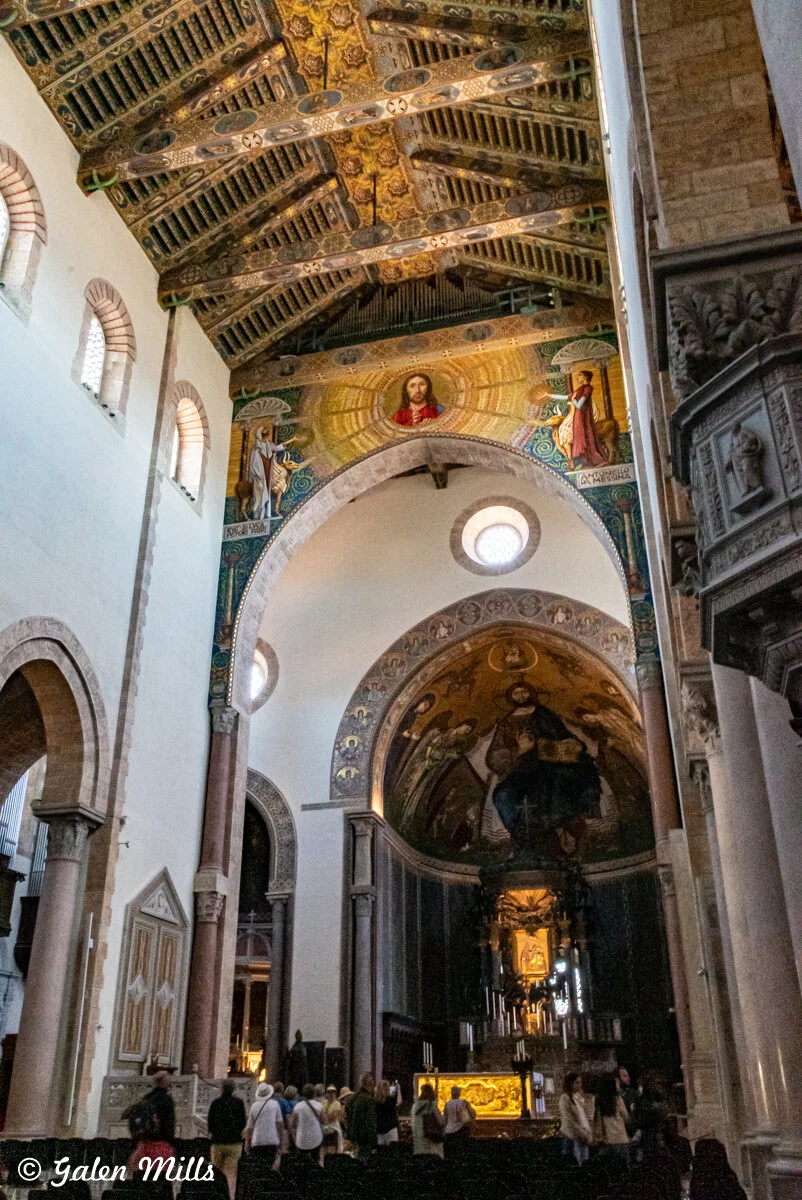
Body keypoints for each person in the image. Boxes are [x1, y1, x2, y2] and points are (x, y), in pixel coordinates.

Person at [486, 681, 601, 847]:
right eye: (516, 693)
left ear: (531, 693)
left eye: (524, 692)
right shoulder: (506, 723)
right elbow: (492, 757)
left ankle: (561, 833)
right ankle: (521, 839)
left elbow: (564, 736)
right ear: (510, 697)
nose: (520, 696)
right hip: (518, 772)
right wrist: (519, 750)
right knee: (502, 796)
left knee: (552, 789)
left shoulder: (545, 715)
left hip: (550, 767)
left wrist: (565, 747)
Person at [125, 1069, 176, 1175]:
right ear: (165, 1082)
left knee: (142, 1180)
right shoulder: (166, 1100)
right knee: (159, 1180)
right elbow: (169, 1125)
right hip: (161, 1147)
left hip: (144, 1145)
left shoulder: (147, 1098)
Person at [553, 370, 606, 470]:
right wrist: (549, 396)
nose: (577, 378)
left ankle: (596, 461)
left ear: (585, 378)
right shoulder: (579, 390)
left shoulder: (588, 389)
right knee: (581, 439)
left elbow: (578, 404)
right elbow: (565, 397)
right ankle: (587, 462)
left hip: (584, 418)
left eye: (579, 376)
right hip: (578, 418)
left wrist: (573, 400)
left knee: (587, 438)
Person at [207, 1080, 246, 1198]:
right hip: (234, 1143)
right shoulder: (239, 1103)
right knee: (231, 1174)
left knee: (216, 1172)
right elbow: (243, 1122)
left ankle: (216, 1195)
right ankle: (228, 1196)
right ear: (233, 1089)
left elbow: (210, 1123)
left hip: (218, 1142)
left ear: (221, 1089)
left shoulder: (215, 1103)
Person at [593, 1073, 631, 1165]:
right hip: (621, 1138)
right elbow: (626, 1118)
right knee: (624, 1169)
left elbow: (598, 1121)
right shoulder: (618, 1099)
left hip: (607, 1140)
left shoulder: (598, 1099)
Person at [244, 1082, 284, 1166]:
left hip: (257, 1140)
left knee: (259, 1166)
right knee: (270, 1165)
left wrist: (247, 1142)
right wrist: (281, 1140)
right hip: (272, 1140)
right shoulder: (275, 1104)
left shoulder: (254, 1106)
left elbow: (250, 1127)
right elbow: (279, 1124)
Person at [559, 1072, 592, 1164]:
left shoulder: (578, 1098)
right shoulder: (565, 1098)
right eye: (577, 1083)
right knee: (576, 1161)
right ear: (570, 1085)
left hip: (583, 1135)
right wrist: (581, 1133)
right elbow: (569, 1120)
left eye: (580, 1082)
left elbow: (584, 1117)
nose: (580, 1085)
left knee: (584, 1161)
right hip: (573, 1136)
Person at [289, 1083, 323, 1163]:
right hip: (316, 1137)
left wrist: (294, 1137)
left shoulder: (298, 1106)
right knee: (315, 1159)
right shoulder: (319, 1106)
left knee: (302, 1161)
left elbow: (291, 1125)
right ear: (314, 1093)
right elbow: (324, 1121)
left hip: (301, 1138)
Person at [347, 1073, 378, 1160]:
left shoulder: (352, 1098)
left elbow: (348, 1118)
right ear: (371, 1083)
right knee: (363, 1161)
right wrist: (373, 1141)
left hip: (353, 1136)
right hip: (365, 1138)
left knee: (355, 1159)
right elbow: (371, 1121)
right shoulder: (368, 1099)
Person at [411, 1082, 444, 1157]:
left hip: (418, 1143)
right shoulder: (431, 1106)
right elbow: (441, 1121)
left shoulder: (415, 1106)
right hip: (431, 1142)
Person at [442, 1085, 475, 1157]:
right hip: (461, 1130)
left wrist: (444, 1129)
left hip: (449, 1130)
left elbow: (445, 1118)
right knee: (461, 1152)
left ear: (451, 1094)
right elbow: (473, 1114)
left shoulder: (447, 1104)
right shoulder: (463, 1102)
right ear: (459, 1093)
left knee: (450, 1153)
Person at [375, 1079, 401, 1146]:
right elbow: (399, 1102)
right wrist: (398, 1090)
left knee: (381, 1152)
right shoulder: (390, 1100)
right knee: (392, 1150)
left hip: (379, 1129)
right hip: (391, 1128)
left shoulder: (374, 1101)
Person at [321, 1084, 345, 1157]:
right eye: (329, 1092)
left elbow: (333, 1117)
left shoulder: (337, 1103)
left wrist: (326, 1115)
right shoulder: (323, 1103)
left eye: (333, 1092)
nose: (331, 1094)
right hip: (324, 1129)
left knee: (332, 1149)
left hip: (333, 1128)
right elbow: (322, 1116)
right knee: (323, 1149)